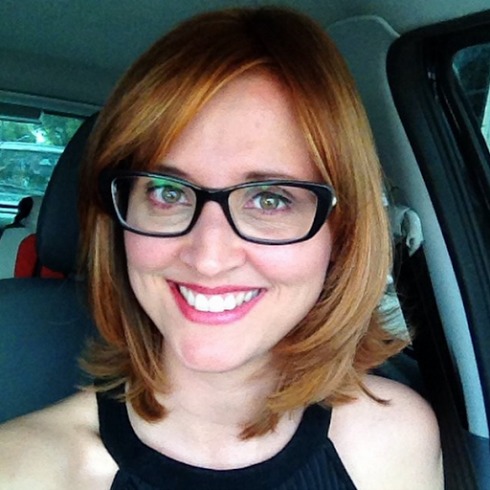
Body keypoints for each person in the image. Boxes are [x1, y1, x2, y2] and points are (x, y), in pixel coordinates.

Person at [0, 7, 443, 489]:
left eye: (270, 199)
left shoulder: (394, 439)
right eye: (167, 192)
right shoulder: (22, 467)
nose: (209, 258)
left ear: (343, 232)